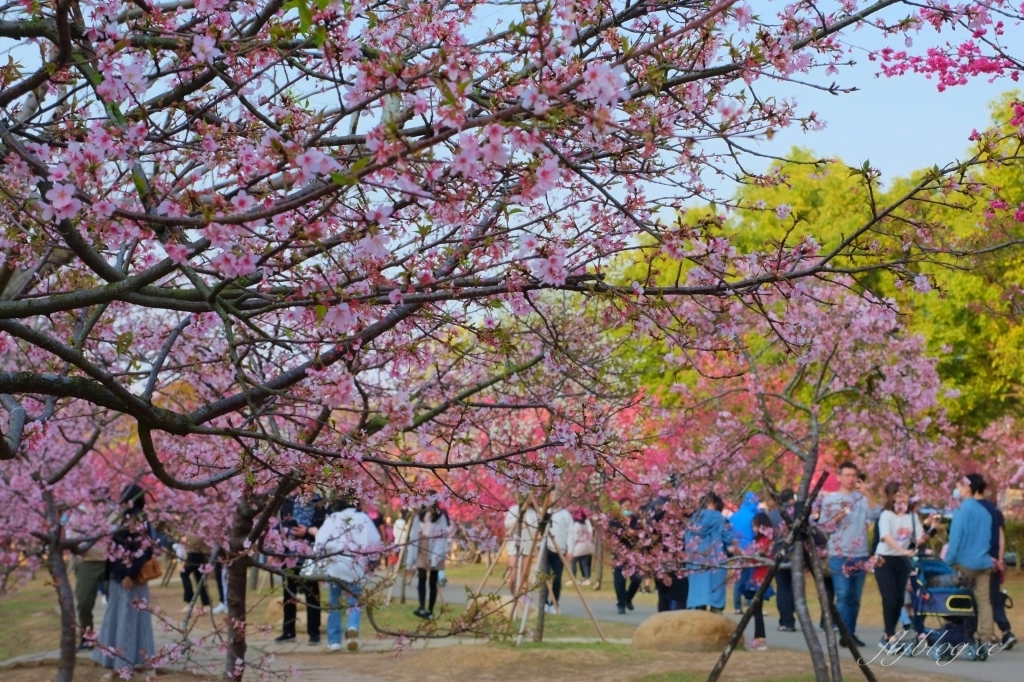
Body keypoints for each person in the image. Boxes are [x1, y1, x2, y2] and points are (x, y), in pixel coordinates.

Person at [92, 484, 156, 679]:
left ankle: (127, 665)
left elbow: (144, 549)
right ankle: (122, 664)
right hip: (120, 577)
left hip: (129, 578)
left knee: (126, 620)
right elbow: (115, 547)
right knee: (123, 620)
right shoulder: (125, 517)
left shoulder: (137, 518)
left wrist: (128, 573)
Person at [312, 496, 382, 652]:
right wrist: (372, 561)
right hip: (356, 566)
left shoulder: (333, 518)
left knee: (334, 601)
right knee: (355, 601)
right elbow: (376, 541)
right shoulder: (363, 518)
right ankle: (352, 626)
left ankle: (334, 640)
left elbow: (319, 542)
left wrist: (320, 560)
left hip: (335, 565)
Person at [818, 461, 871, 647]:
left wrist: (868, 493)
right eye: (847, 475)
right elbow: (823, 526)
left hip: (861, 553)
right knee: (843, 594)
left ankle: (851, 632)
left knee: (855, 597)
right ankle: (844, 633)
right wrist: (837, 518)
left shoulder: (862, 499)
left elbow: (877, 514)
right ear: (839, 477)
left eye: (853, 475)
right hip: (839, 554)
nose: (850, 479)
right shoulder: (830, 500)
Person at [872, 482, 930, 651]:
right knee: (889, 597)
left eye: (905, 495)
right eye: (898, 495)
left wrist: (924, 537)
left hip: (902, 562)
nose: (903, 498)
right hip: (885, 559)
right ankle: (889, 636)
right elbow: (886, 536)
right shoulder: (886, 515)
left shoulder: (911, 516)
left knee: (899, 599)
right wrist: (901, 550)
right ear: (891, 497)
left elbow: (918, 537)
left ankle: (888, 634)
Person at [946, 474, 998, 648]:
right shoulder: (985, 512)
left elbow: (955, 540)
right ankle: (986, 638)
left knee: (960, 599)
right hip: (983, 562)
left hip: (964, 563)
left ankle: (960, 633)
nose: (957, 489)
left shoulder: (961, 510)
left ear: (967, 488)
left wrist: (948, 562)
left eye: (960, 485)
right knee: (984, 602)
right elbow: (989, 539)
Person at [278, 483, 327, 644]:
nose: (304, 485)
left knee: (312, 593)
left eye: (309, 482)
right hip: (290, 553)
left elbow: (325, 528)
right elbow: (281, 524)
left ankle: (314, 633)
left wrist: (307, 531)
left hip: (311, 553)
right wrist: (290, 531)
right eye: (301, 482)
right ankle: (288, 631)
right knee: (289, 593)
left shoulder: (321, 503)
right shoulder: (289, 501)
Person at [972, 479, 1018, 650]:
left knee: (984, 598)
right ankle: (1001, 631)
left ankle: (999, 632)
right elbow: (1001, 536)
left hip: (980, 561)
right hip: (993, 559)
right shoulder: (994, 511)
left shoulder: (975, 510)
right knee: (993, 596)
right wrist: (999, 558)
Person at [685, 492, 735, 613]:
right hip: (716, 563)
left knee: (698, 601)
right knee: (716, 601)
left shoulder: (692, 520)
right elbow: (729, 538)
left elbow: (686, 541)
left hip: (696, 562)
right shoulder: (721, 519)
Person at [406, 503, 450, 619]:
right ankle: (421, 606)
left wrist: (435, 559)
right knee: (421, 577)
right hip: (422, 547)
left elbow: (442, 537)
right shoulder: (418, 517)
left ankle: (430, 610)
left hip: (436, 549)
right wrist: (410, 561)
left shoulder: (440, 517)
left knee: (432, 581)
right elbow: (413, 537)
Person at [743, 512, 776, 651]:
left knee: (757, 610)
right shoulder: (758, 541)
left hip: (762, 577)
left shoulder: (766, 541)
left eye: (756, 526)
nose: (754, 529)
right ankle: (758, 637)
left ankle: (760, 639)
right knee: (755, 609)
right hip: (756, 576)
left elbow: (763, 555)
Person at [771, 488, 796, 632]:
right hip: (795, 556)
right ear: (791, 499)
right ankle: (790, 616)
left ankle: (786, 621)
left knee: (783, 588)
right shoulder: (797, 513)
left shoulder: (772, 515)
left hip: (778, 555)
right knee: (794, 588)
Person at [730, 492, 760, 614]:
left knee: (738, 577)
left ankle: (737, 606)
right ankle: (749, 603)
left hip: (737, 549)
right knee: (750, 577)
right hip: (750, 548)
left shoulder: (735, 516)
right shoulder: (754, 516)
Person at [610, 498, 641, 614]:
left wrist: (635, 533)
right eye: (625, 506)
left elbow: (641, 533)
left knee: (637, 579)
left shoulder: (635, 520)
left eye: (629, 506)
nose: (627, 508)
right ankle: (621, 604)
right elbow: (611, 538)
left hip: (633, 554)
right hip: (619, 555)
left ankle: (628, 598)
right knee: (619, 581)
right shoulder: (614, 521)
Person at [503, 501, 538, 595]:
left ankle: (523, 600)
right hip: (514, 546)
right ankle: (514, 597)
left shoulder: (534, 513)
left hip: (528, 547)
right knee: (513, 577)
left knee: (524, 576)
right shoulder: (514, 509)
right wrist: (519, 517)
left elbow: (536, 531)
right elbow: (507, 525)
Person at [544, 505, 574, 614]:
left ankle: (554, 603)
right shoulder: (545, 511)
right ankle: (544, 603)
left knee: (557, 579)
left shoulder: (565, 514)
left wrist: (570, 550)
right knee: (545, 576)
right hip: (546, 548)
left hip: (560, 550)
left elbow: (571, 533)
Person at [568, 510, 595, 585]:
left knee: (573, 562)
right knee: (584, 563)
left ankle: (573, 578)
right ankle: (587, 578)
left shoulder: (576, 525)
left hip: (578, 546)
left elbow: (575, 536)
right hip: (586, 545)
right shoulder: (585, 524)